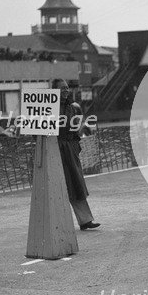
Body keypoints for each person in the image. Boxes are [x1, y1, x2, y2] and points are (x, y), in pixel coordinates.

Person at [52, 79, 100, 230]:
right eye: (62, 88)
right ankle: (56, 223)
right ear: (54, 90)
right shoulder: (48, 107)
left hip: (70, 151)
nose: (66, 91)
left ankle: (85, 220)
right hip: (54, 151)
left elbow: (76, 128)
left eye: (67, 88)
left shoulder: (72, 107)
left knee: (76, 185)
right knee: (56, 187)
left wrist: (74, 145)